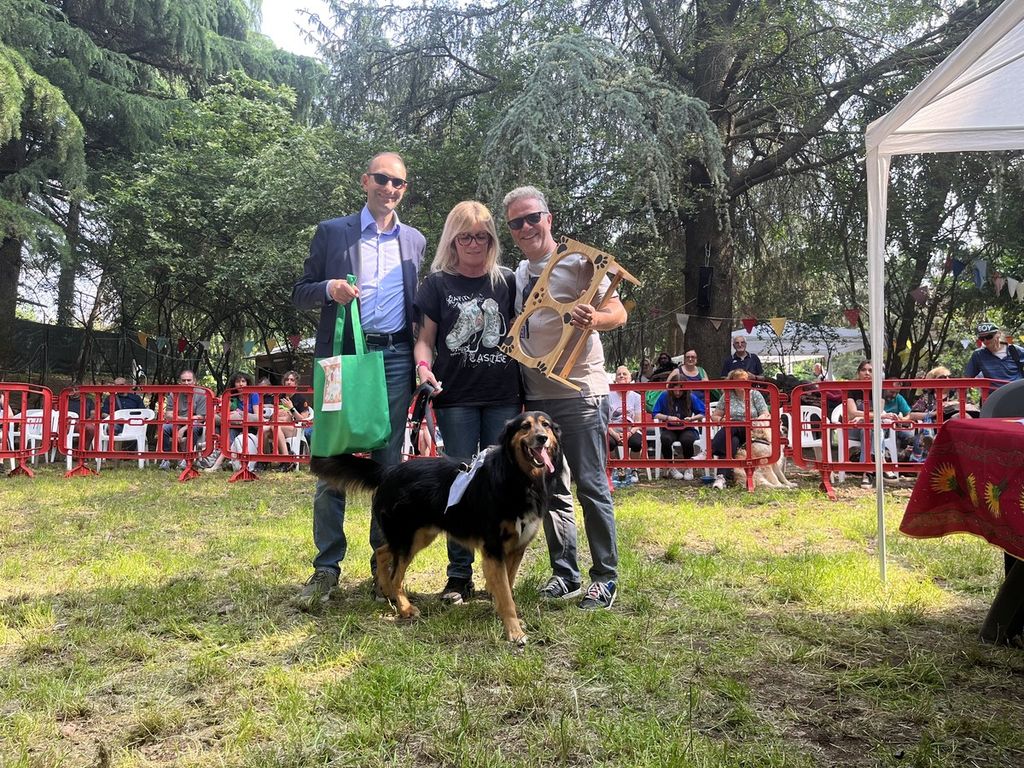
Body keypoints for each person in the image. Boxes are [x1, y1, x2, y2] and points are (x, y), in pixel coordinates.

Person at [291, 151, 425, 610]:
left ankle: (382, 569)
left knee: (389, 468)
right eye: (382, 179)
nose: (390, 188)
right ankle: (326, 568)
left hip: (396, 360)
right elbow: (300, 292)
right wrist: (328, 289)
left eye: (398, 183)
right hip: (342, 360)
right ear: (365, 180)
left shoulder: (415, 240)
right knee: (332, 460)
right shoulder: (333, 232)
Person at [505, 185, 627, 609]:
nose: (525, 227)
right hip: (537, 397)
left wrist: (595, 317)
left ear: (549, 218)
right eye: (516, 223)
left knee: (590, 485)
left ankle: (605, 578)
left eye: (532, 218)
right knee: (551, 488)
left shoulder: (578, 261)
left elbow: (618, 311)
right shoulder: (519, 273)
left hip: (581, 394)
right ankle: (565, 574)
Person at [413, 200, 522, 604]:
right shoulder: (437, 284)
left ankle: (500, 575)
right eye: (465, 237)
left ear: (492, 240)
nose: (474, 244)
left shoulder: (508, 281)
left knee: (501, 484)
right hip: (454, 397)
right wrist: (423, 369)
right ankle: (458, 576)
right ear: (452, 241)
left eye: (481, 237)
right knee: (459, 484)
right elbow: (425, 341)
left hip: (503, 396)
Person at [709, 369, 769, 489]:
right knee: (731, 442)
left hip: (752, 430)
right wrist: (722, 420)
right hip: (732, 432)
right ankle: (721, 478)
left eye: (745, 380)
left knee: (733, 425)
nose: (743, 383)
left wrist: (758, 420)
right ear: (732, 382)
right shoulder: (727, 395)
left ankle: (709, 451)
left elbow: (765, 413)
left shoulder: (754, 394)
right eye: (739, 381)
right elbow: (715, 416)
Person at [651, 370, 705, 480]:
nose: (677, 393)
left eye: (680, 391)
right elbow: (655, 414)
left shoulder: (691, 397)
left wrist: (692, 418)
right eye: (675, 390)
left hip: (687, 428)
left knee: (687, 439)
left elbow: (703, 412)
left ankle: (688, 467)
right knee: (665, 438)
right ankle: (671, 466)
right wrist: (668, 418)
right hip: (669, 428)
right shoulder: (664, 395)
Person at [157, 369, 207, 470]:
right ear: (180, 382)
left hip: (194, 424)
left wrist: (183, 428)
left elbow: (201, 418)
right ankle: (166, 459)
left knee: (194, 428)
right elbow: (169, 415)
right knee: (164, 428)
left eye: (189, 380)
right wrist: (186, 420)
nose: (186, 383)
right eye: (184, 380)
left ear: (194, 381)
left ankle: (186, 459)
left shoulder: (202, 394)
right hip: (176, 423)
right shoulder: (174, 394)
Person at [607, 365, 645, 487]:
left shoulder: (636, 397)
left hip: (631, 428)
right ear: (615, 379)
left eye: (625, 374)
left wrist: (629, 433)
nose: (622, 376)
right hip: (613, 428)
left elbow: (638, 421)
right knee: (609, 442)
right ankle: (617, 468)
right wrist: (614, 433)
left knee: (636, 442)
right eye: (619, 374)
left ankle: (634, 470)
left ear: (630, 379)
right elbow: (605, 420)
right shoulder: (608, 396)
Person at [964, 321, 1024, 388]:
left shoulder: (1015, 350)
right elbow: (967, 378)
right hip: (994, 393)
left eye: (989, 337)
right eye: (982, 338)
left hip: (1016, 391)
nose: (985, 341)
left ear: (998, 334)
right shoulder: (979, 355)